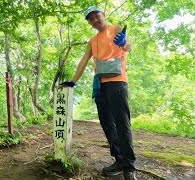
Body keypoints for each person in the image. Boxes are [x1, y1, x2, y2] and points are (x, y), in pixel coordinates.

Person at [60, 5, 137, 180]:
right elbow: (83, 62)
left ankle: (129, 167)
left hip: (117, 83)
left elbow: (129, 47)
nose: (95, 20)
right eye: (91, 19)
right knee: (107, 124)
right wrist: (73, 81)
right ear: (89, 23)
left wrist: (124, 43)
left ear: (103, 14)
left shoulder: (116, 28)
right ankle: (119, 160)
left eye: (97, 16)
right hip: (100, 86)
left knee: (122, 124)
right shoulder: (92, 40)